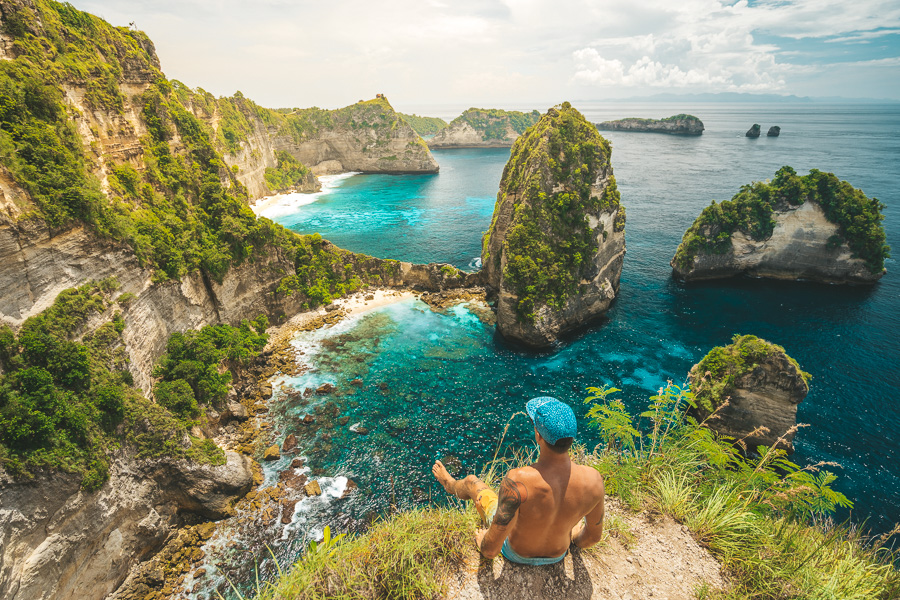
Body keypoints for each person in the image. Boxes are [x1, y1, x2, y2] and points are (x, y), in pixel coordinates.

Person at [432, 396, 605, 565]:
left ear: (538, 435)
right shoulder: (594, 480)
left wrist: (482, 540)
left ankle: (449, 484)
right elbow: (592, 537)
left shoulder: (519, 480)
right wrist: (571, 538)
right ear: (571, 437)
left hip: (516, 554)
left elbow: (490, 551)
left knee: (471, 482)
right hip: (557, 555)